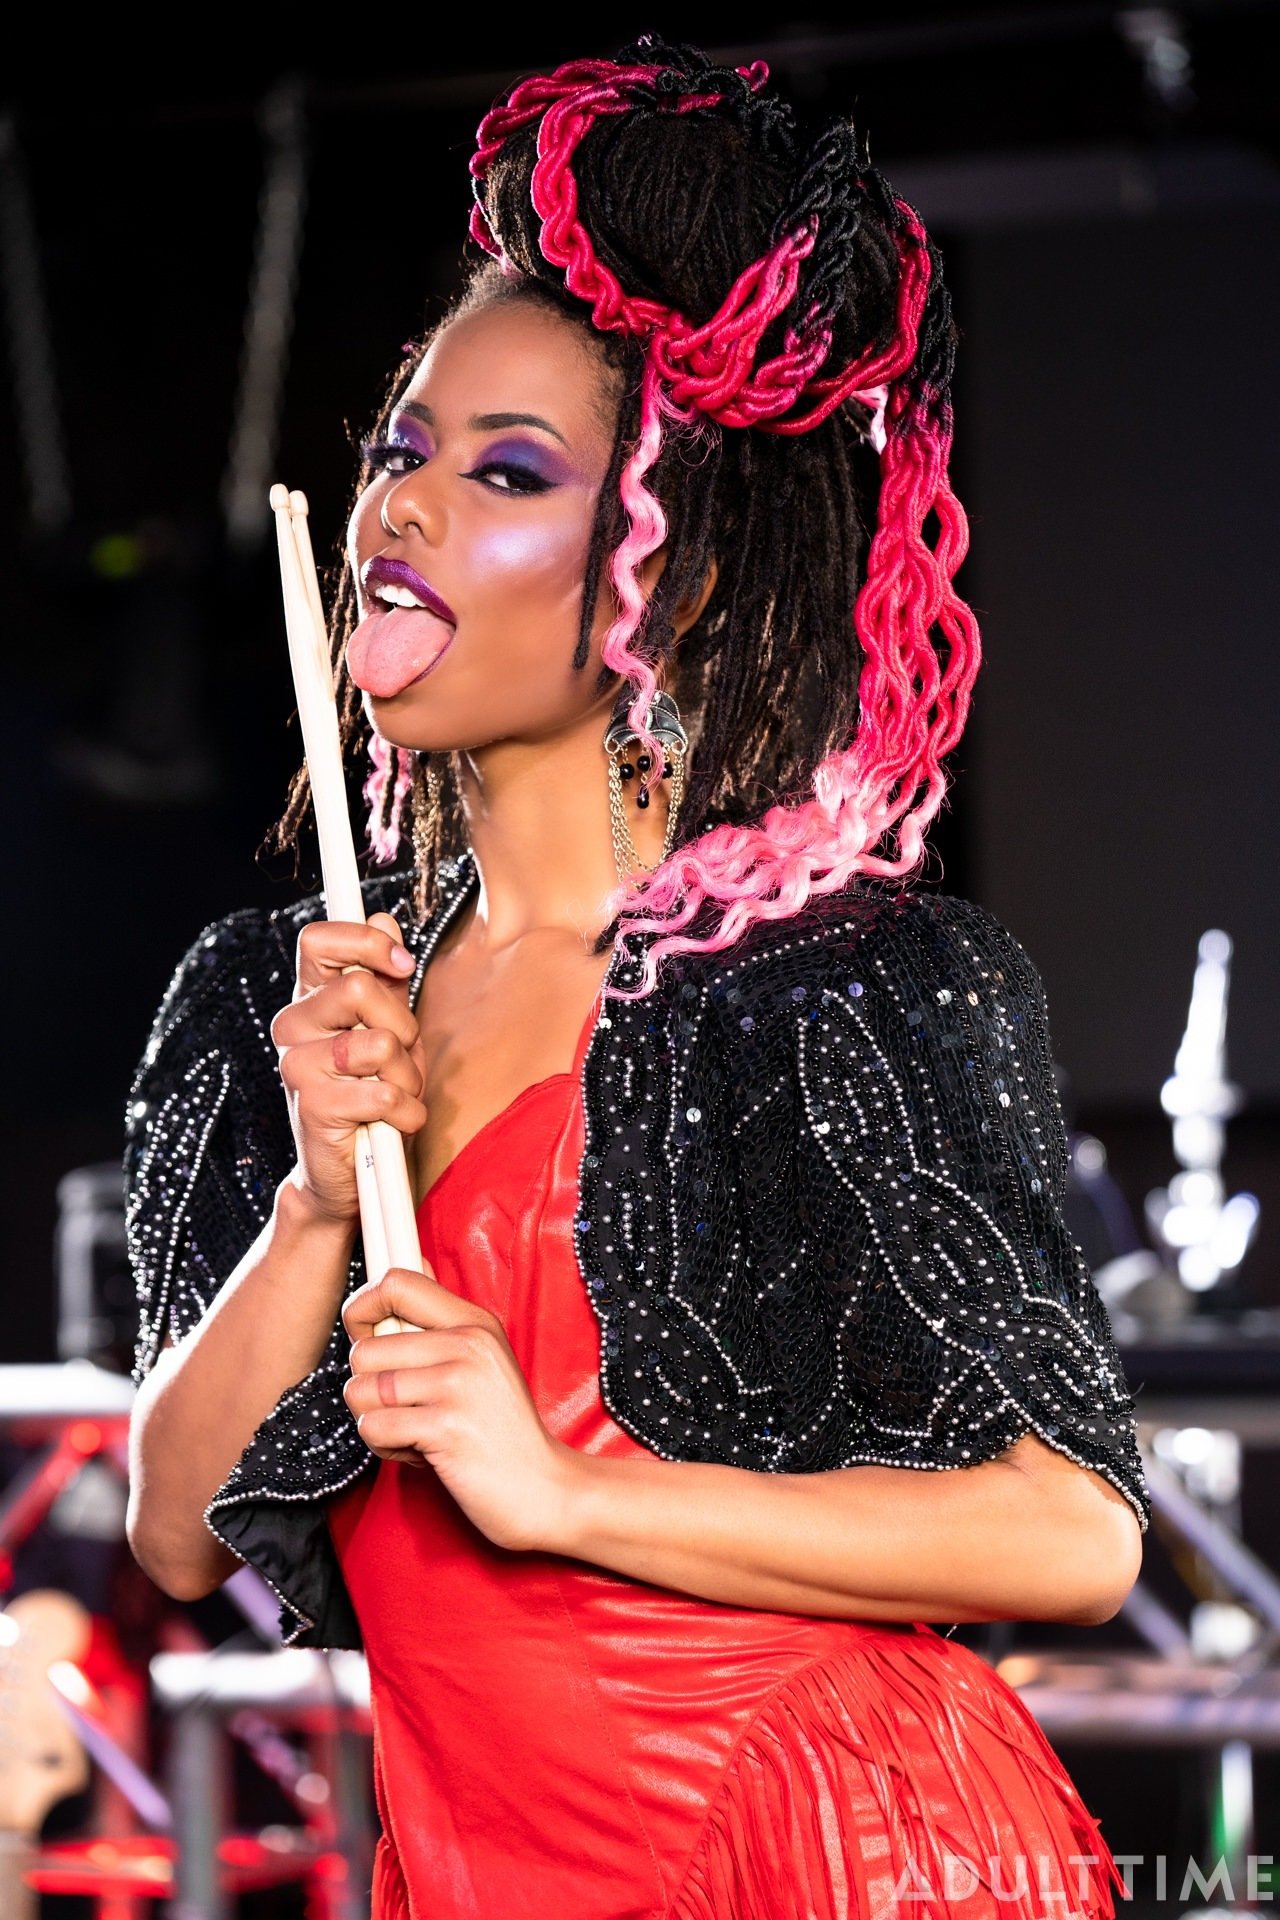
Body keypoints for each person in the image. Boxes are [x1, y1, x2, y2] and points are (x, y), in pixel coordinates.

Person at [124, 35, 1149, 1920]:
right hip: (491, 1868)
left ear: (665, 580)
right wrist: (310, 1204)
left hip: (836, 1850)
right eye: (399, 449)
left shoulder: (832, 984)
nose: (404, 506)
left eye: (506, 471)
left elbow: (1073, 1531)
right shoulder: (285, 992)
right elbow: (177, 1538)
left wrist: (563, 1492)